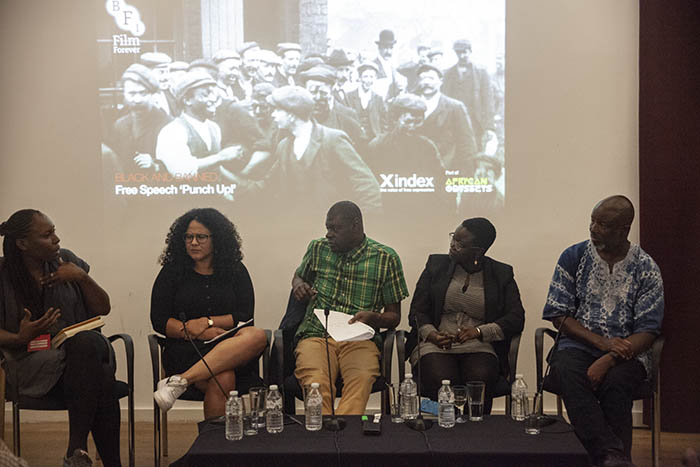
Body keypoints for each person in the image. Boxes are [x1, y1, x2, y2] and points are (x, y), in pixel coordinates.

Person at [543, 195, 664, 467]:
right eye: (592, 221)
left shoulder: (645, 267)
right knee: (567, 372)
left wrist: (610, 356)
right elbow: (558, 313)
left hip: (629, 352)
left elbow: (649, 329)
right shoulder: (573, 257)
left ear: (624, 229)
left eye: (604, 224)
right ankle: (613, 455)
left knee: (615, 383)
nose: (594, 229)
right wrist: (601, 343)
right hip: (578, 345)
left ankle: (606, 457)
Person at [0, 210, 119, 467]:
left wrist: (82, 277)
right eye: (47, 234)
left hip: (76, 363)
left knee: (85, 344)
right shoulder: (2, 274)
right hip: (27, 363)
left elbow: (103, 308)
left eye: (54, 231)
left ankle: (76, 452)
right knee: (103, 380)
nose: (56, 239)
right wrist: (20, 336)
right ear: (22, 244)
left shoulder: (67, 262)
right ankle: (87, 454)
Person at [292, 201, 409, 414]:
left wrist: (373, 318)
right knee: (317, 383)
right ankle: (323, 435)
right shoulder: (318, 248)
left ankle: (346, 437)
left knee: (361, 379)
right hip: (317, 334)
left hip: (359, 338)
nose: (328, 234)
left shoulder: (385, 258)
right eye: (327, 228)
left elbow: (394, 316)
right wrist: (299, 285)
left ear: (355, 226)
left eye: (335, 229)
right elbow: (299, 275)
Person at [151, 208, 268, 419]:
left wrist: (208, 322)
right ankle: (217, 450)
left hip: (230, 347)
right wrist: (191, 331)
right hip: (187, 350)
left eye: (201, 237)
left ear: (217, 240)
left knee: (257, 335)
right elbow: (158, 320)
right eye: (189, 237)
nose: (194, 242)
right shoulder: (171, 272)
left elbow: (245, 316)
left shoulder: (236, 270)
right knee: (223, 376)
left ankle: (180, 381)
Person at [407, 218, 524, 409]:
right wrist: (432, 334)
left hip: (479, 345)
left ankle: (477, 431)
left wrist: (479, 332)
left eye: (460, 244)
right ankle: (445, 430)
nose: (452, 246)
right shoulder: (436, 265)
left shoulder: (501, 274)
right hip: (435, 343)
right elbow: (417, 311)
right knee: (442, 378)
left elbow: (516, 318)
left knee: (480, 380)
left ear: (478, 251)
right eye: (453, 238)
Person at [227, 86, 382, 218]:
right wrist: (232, 191)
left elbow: (366, 184)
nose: (273, 115)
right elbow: (267, 185)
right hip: (296, 230)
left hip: (331, 234)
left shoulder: (333, 139)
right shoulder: (284, 146)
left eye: (277, 110)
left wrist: (362, 227)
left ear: (291, 114)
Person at [155, 70, 241, 178]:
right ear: (187, 101)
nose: (213, 99)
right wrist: (221, 157)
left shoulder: (214, 128)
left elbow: (215, 169)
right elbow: (181, 171)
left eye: (213, 93)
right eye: (206, 94)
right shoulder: (173, 131)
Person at [107, 63, 172, 173]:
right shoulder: (119, 126)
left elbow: (180, 170)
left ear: (153, 95)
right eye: (132, 93)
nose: (137, 99)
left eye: (143, 93)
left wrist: (155, 165)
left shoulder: (169, 125)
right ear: (124, 94)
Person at [413, 64, 478, 173]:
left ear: (440, 81)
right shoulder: (410, 105)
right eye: (422, 78)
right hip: (415, 171)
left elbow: (467, 144)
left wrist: (467, 176)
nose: (426, 82)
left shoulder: (455, 107)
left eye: (431, 78)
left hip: (446, 169)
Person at [442, 39, 496, 153]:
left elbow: (488, 101)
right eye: (458, 53)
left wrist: (489, 127)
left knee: (474, 151)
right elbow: (444, 98)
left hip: (475, 121)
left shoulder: (481, 73)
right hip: (454, 121)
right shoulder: (448, 74)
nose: (461, 56)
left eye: (464, 52)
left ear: (470, 51)